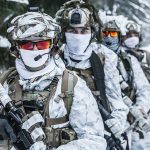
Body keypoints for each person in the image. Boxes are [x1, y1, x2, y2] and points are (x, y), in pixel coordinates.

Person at [0, 10, 107, 150]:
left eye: (42, 44)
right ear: (17, 48)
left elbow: (95, 142)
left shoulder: (71, 85)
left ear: (52, 46)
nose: (34, 50)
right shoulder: (6, 82)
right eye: (27, 44)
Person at [56, 0, 129, 149]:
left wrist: (111, 130)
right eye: (72, 30)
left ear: (92, 33)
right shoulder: (55, 59)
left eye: (84, 30)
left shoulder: (105, 58)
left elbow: (117, 104)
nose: (78, 36)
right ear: (63, 33)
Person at [101, 18, 150, 149]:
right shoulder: (90, 59)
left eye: (113, 34)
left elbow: (144, 89)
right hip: (98, 128)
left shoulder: (129, 60)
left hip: (126, 125)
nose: (109, 38)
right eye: (105, 34)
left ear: (119, 36)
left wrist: (141, 108)